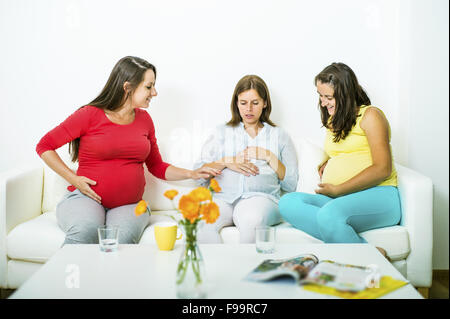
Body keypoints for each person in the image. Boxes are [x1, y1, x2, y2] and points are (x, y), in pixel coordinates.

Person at [36, 56, 220, 245]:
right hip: (86, 199)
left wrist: (192, 173)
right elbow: (44, 146)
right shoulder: (89, 115)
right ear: (127, 87)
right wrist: (73, 179)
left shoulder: (145, 120)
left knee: (121, 242)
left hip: (129, 205)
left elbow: (156, 166)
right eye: (149, 87)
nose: (154, 92)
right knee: (85, 231)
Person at [279, 62, 401, 260]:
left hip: (380, 195)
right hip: (341, 200)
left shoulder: (370, 116)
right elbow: (346, 150)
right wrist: (329, 162)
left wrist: (338, 189)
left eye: (328, 97)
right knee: (287, 203)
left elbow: (383, 168)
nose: (323, 102)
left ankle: (370, 258)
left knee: (329, 215)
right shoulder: (333, 120)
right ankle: (354, 244)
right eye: (320, 95)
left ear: (345, 94)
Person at [194, 75, 299, 243]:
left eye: (255, 103)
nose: (248, 109)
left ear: (265, 103)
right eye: (243, 103)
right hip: (223, 199)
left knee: (251, 219)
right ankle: (216, 269)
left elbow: (290, 183)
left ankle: (246, 268)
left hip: (261, 198)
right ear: (236, 103)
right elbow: (198, 176)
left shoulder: (279, 135)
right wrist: (225, 162)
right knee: (202, 222)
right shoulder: (221, 132)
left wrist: (268, 156)